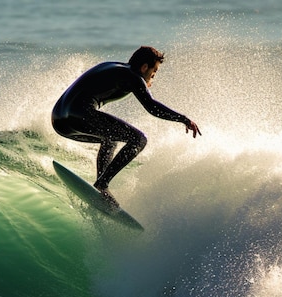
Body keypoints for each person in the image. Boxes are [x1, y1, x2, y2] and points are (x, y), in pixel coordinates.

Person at [52, 46, 201, 207]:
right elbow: (152, 107)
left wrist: (142, 84)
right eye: (154, 71)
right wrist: (184, 119)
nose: (153, 76)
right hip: (79, 114)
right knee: (139, 139)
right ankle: (102, 184)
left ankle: (101, 186)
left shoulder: (117, 68)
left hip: (60, 120)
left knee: (110, 138)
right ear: (144, 67)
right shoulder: (133, 76)